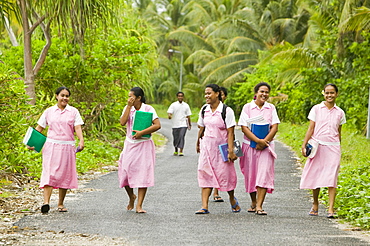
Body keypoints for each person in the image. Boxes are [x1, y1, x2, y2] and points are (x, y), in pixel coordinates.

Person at [28, 86, 85, 214]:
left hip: (67, 146)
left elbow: (77, 128)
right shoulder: (49, 111)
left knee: (65, 174)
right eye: (62, 95)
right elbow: (39, 128)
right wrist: (31, 143)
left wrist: (81, 140)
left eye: (67, 96)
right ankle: (46, 203)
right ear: (56, 96)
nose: (65, 98)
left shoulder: (73, 112)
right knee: (49, 173)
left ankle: (60, 203)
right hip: (51, 146)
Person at [300, 83, 346, 218]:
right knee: (316, 175)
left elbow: (339, 132)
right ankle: (315, 203)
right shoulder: (316, 109)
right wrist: (304, 145)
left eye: (332, 93)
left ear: (336, 94)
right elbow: (311, 128)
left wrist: (339, 147)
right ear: (323, 94)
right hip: (317, 146)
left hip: (333, 147)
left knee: (332, 177)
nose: (329, 95)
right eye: (327, 93)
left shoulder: (340, 112)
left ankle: (331, 208)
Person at [195, 84, 240, 214]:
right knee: (204, 174)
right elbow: (202, 127)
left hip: (223, 149)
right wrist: (198, 142)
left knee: (226, 175)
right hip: (207, 148)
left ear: (217, 94)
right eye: (205, 93)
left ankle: (232, 199)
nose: (206, 96)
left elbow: (230, 132)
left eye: (209, 93)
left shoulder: (226, 110)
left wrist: (232, 151)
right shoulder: (204, 110)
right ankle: (204, 206)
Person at [238, 82, 280, 215]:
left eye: (267, 92)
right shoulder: (247, 107)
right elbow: (244, 127)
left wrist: (265, 141)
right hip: (249, 145)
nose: (264, 94)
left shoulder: (271, 108)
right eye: (262, 91)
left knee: (263, 173)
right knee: (251, 174)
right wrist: (257, 141)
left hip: (266, 147)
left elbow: (275, 126)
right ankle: (253, 201)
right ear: (256, 93)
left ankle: (260, 205)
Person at [118, 87, 161, 213]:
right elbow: (122, 122)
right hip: (130, 144)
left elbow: (157, 125)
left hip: (144, 144)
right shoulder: (128, 109)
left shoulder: (148, 109)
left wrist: (142, 132)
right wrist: (128, 107)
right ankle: (131, 196)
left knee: (143, 173)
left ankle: (139, 205)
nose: (129, 99)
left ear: (138, 98)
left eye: (131, 96)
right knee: (124, 172)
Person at [212, 86, 228, 202]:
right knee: (212, 168)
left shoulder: (227, 110)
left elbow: (231, 131)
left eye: (222, 95)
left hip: (225, 145)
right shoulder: (207, 109)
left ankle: (230, 195)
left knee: (225, 170)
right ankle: (215, 191)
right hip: (211, 145)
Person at [167, 92, 192, 156]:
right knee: (176, 138)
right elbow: (170, 112)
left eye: (181, 96)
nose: (180, 97)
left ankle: (181, 150)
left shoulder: (186, 105)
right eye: (179, 96)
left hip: (183, 124)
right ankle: (176, 150)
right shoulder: (173, 105)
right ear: (177, 97)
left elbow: (188, 116)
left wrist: (189, 124)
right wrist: (169, 116)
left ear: (183, 97)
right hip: (175, 125)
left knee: (181, 136)